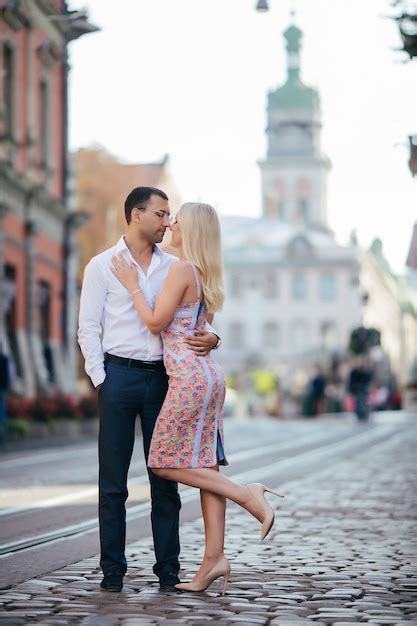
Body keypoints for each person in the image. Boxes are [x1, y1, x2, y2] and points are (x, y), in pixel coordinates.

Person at [111, 202, 283, 595]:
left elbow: (155, 322)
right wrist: (214, 338)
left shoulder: (182, 269)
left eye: (178, 220)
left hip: (188, 377)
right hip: (208, 376)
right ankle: (213, 560)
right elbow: (202, 327)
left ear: (191, 229)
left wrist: (131, 284)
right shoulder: (204, 272)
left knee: (161, 462)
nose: (171, 223)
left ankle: (248, 496)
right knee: (206, 467)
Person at [78, 187, 220, 593]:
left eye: (169, 215)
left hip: (163, 379)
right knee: (113, 482)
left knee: (164, 479)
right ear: (135, 214)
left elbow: (194, 317)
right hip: (117, 377)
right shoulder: (102, 266)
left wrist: (214, 338)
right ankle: (113, 572)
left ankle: (168, 572)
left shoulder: (175, 267)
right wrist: (101, 378)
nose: (167, 222)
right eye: (160, 214)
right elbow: (88, 326)